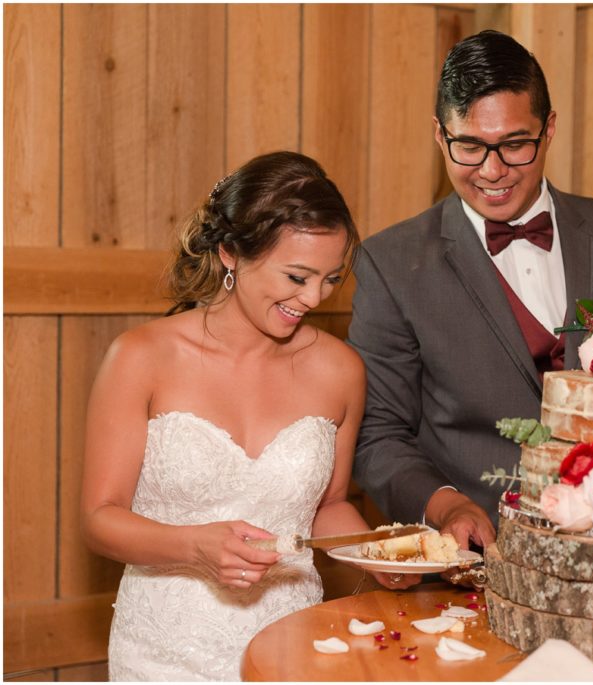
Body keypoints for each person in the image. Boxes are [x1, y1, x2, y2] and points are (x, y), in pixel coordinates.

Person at [348, 31, 593, 552]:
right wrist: (447, 507)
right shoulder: (392, 264)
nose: (492, 171)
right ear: (439, 136)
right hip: (476, 560)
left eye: (515, 144)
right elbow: (379, 435)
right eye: (469, 146)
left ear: (549, 129)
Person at [80, 151, 418, 682]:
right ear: (231, 253)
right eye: (297, 276)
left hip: (292, 643)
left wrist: (379, 555)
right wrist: (193, 546)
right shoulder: (140, 357)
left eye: (331, 279)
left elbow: (327, 506)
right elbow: (100, 516)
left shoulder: (340, 370)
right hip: (163, 651)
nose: (313, 298)